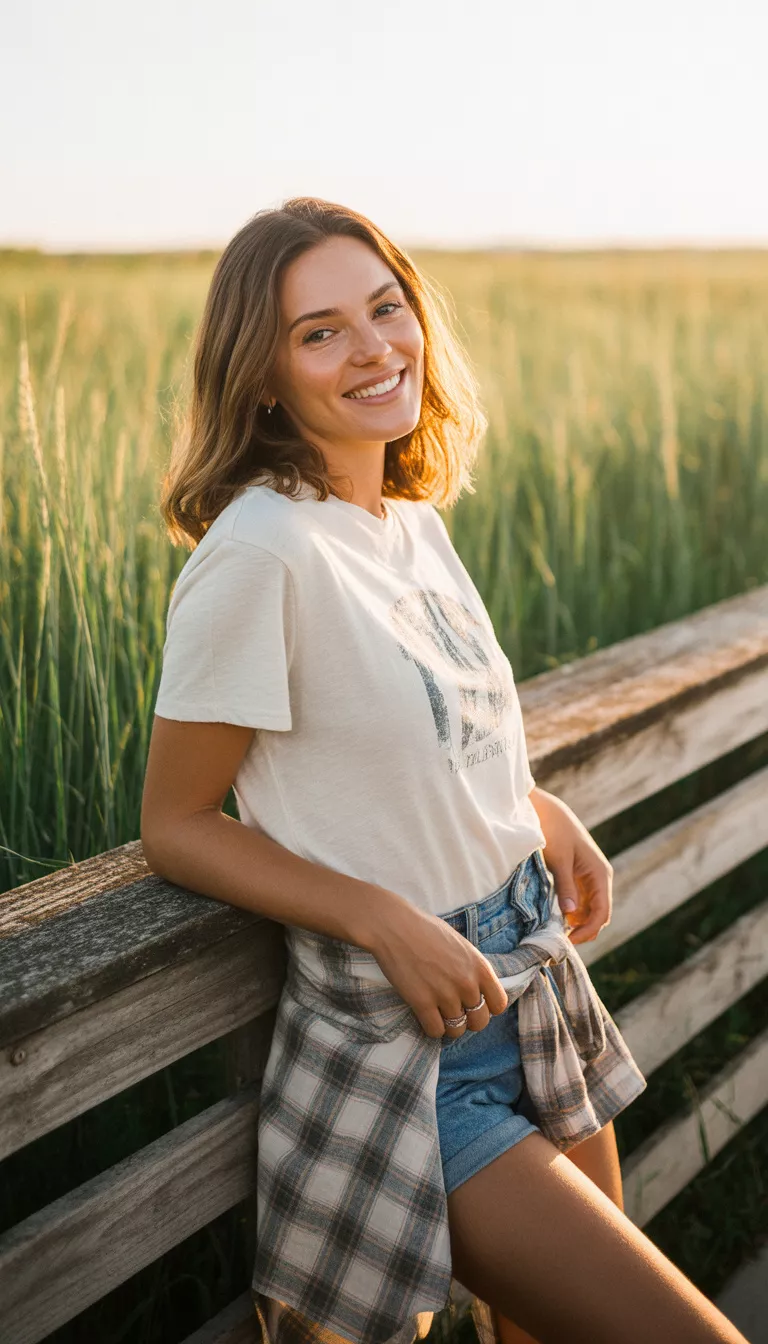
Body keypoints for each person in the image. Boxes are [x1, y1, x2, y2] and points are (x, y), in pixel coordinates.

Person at [141, 197, 748, 1344]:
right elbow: (177, 823)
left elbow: (425, 728)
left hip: (530, 978)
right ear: (262, 377)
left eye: (385, 307)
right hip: (409, 1046)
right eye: (320, 331)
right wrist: (378, 917)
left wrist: (529, 803)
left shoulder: (408, 520)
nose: (374, 347)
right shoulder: (258, 552)